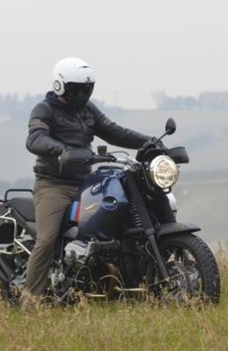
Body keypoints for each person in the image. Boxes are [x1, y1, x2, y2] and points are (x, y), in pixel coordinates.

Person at [22, 57, 154, 302]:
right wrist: (61, 149)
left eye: (87, 89)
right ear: (60, 86)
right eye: (77, 89)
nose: (82, 94)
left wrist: (150, 142)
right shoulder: (44, 109)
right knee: (47, 239)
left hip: (86, 183)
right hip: (53, 185)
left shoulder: (87, 110)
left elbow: (114, 132)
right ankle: (31, 301)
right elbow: (35, 139)